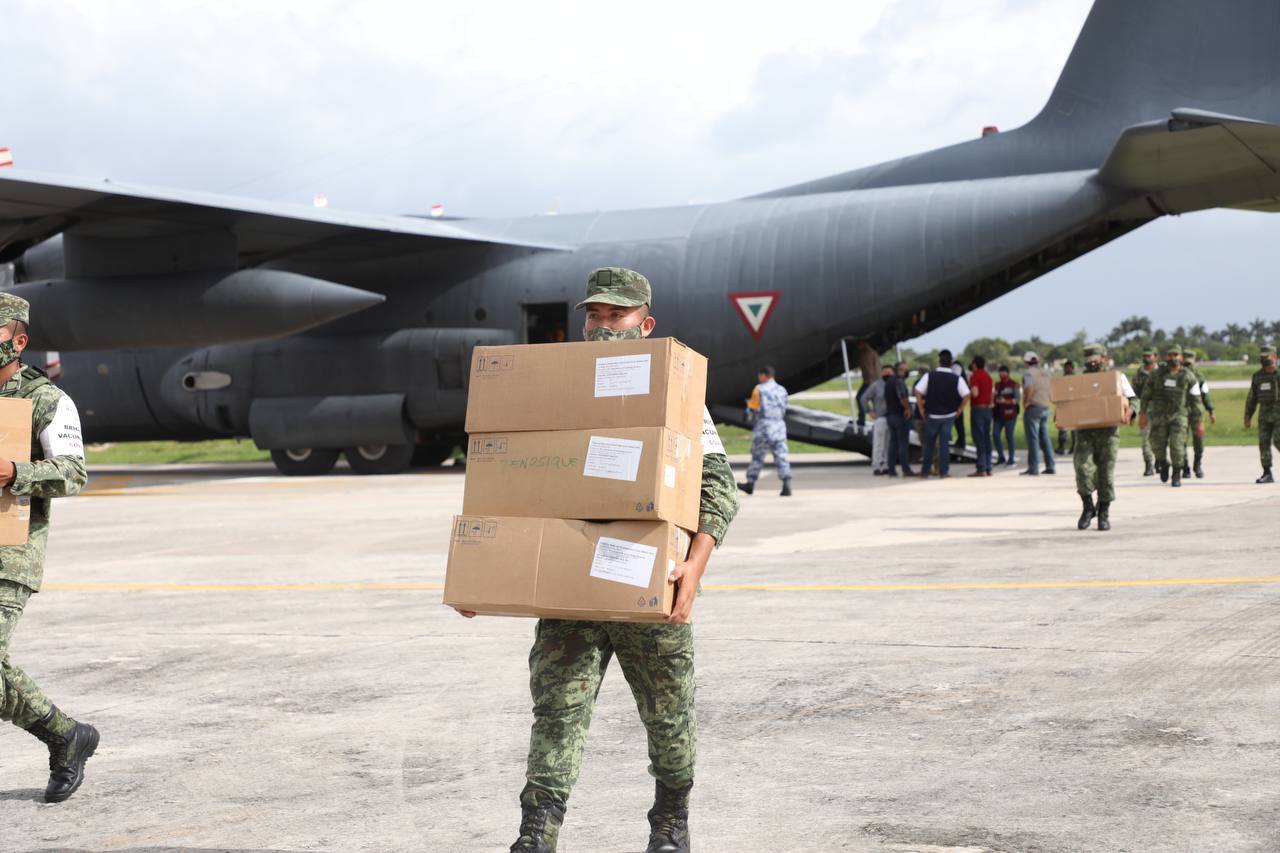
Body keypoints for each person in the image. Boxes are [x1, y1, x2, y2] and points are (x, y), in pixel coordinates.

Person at [458, 268, 739, 853]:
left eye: (618, 316)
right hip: (572, 584)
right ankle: (537, 833)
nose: (604, 326)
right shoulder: (562, 394)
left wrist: (693, 570)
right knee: (556, 711)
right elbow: (516, 480)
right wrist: (486, 571)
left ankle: (670, 820)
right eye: (596, 315)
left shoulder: (676, 399)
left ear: (646, 323)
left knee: (669, 718)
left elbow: (718, 487)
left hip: (649, 581)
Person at [0, 293, 95, 804]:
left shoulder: (46, 400)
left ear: (19, 341)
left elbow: (74, 473)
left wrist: (18, 473)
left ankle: (62, 735)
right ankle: (66, 736)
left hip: (9, 551)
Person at [1071, 343, 1137, 531]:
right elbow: (1067, 402)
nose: (1091, 362)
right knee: (1082, 469)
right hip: (1085, 432)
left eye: (1095, 358)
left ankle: (1104, 513)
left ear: (1104, 359)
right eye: (1088, 359)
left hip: (1108, 433)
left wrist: (1131, 411)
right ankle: (1088, 507)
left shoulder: (1117, 378)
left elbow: (1133, 399)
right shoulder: (1079, 380)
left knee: (1105, 475)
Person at [1139, 343, 1203, 488]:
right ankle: (1163, 463)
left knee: (1177, 446)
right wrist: (1142, 414)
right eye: (1170, 355)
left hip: (1179, 416)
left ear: (1181, 357)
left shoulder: (1188, 376)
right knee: (1157, 446)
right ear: (1165, 357)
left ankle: (1176, 474)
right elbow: (1145, 395)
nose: (1172, 358)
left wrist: (1199, 421)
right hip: (1159, 416)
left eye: (1175, 355)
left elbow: (1196, 401)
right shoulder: (1156, 375)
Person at [913, 349, 970, 479]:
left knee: (929, 445)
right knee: (944, 446)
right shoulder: (957, 378)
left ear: (939, 362)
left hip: (932, 416)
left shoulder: (929, 376)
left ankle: (925, 472)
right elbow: (967, 394)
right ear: (951, 363)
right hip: (949, 416)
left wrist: (921, 408)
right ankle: (943, 472)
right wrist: (960, 409)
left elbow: (917, 391)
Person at [739, 365, 792, 496]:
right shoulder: (782, 390)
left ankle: (750, 483)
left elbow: (752, 408)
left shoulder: (759, 389)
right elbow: (784, 408)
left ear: (764, 375)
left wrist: (747, 415)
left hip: (764, 427)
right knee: (781, 456)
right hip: (779, 426)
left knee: (757, 457)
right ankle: (786, 483)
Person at [1244, 344, 1279, 483]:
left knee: (1278, 440)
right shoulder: (1257, 376)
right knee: (1263, 443)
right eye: (1262, 357)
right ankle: (1267, 472)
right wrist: (1248, 416)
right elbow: (1252, 397)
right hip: (1264, 415)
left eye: (1267, 356)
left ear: (1275, 357)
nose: (1264, 359)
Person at [1180, 350, 1215, 479]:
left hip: (1196, 414)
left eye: (1190, 361)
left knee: (1199, 441)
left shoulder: (1200, 377)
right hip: (1181, 412)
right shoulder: (1179, 375)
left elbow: (1205, 395)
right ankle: (1184, 467)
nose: (1188, 364)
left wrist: (1211, 411)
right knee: (1180, 441)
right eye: (1186, 361)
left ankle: (1197, 464)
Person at [1021, 352, 1056, 475]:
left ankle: (1033, 467)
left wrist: (1026, 401)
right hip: (1046, 407)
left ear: (1026, 362)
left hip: (1034, 407)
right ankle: (1051, 466)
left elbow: (1029, 388)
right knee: (1045, 438)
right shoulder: (1046, 372)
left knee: (1033, 438)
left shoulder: (1028, 373)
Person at [884, 361, 914, 477]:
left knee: (893, 443)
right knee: (903, 443)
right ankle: (905, 469)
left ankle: (891, 469)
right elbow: (903, 397)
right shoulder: (899, 381)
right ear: (900, 370)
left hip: (890, 415)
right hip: (899, 415)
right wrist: (907, 409)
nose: (907, 372)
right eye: (905, 369)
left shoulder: (888, 381)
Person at [1130, 349, 1158, 476]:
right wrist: (1133, 413)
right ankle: (1148, 464)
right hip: (1145, 409)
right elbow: (1133, 395)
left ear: (1155, 357)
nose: (1146, 358)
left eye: (1149, 355)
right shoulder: (1138, 375)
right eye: (1144, 355)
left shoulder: (1162, 372)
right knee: (1146, 438)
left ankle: (1160, 461)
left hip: (1161, 410)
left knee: (1160, 438)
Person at [862, 365, 893, 474]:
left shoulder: (896, 384)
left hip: (893, 418)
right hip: (881, 418)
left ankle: (886, 464)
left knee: (888, 443)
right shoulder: (876, 386)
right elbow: (864, 398)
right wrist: (870, 411)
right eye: (885, 372)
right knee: (879, 443)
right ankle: (876, 465)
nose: (887, 374)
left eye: (889, 372)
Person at [967, 355, 994, 477]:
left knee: (979, 438)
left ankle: (981, 468)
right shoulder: (988, 376)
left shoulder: (975, 376)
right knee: (987, 438)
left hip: (978, 409)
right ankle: (988, 467)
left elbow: (975, 393)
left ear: (974, 364)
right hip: (988, 409)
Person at [993, 364, 1020, 468]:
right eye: (1000, 374)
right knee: (995, 434)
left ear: (1008, 374)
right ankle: (1001, 457)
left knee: (1009, 436)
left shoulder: (1014, 385)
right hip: (998, 415)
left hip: (1010, 415)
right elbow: (994, 396)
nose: (1001, 376)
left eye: (1003, 373)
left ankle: (1011, 459)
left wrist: (1006, 401)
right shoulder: (997, 385)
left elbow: (1017, 399)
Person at [1055, 360, 1076, 455]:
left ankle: (1073, 447)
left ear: (1072, 368)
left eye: (1068, 367)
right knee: (1063, 428)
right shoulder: (1062, 379)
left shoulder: (1076, 379)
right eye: (1065, 367)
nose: (1066, 369)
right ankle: (1061, 447)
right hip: (1063, 405)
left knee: (1073, 428)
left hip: (1072, 405)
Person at [951, 360, 968, 451]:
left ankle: (961, 441)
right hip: (959, 396)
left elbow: (954, 379)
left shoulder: (956, 366)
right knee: (958, 421)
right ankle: (961, 440)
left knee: (958, 421)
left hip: (957, 397)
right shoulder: (957, 366)